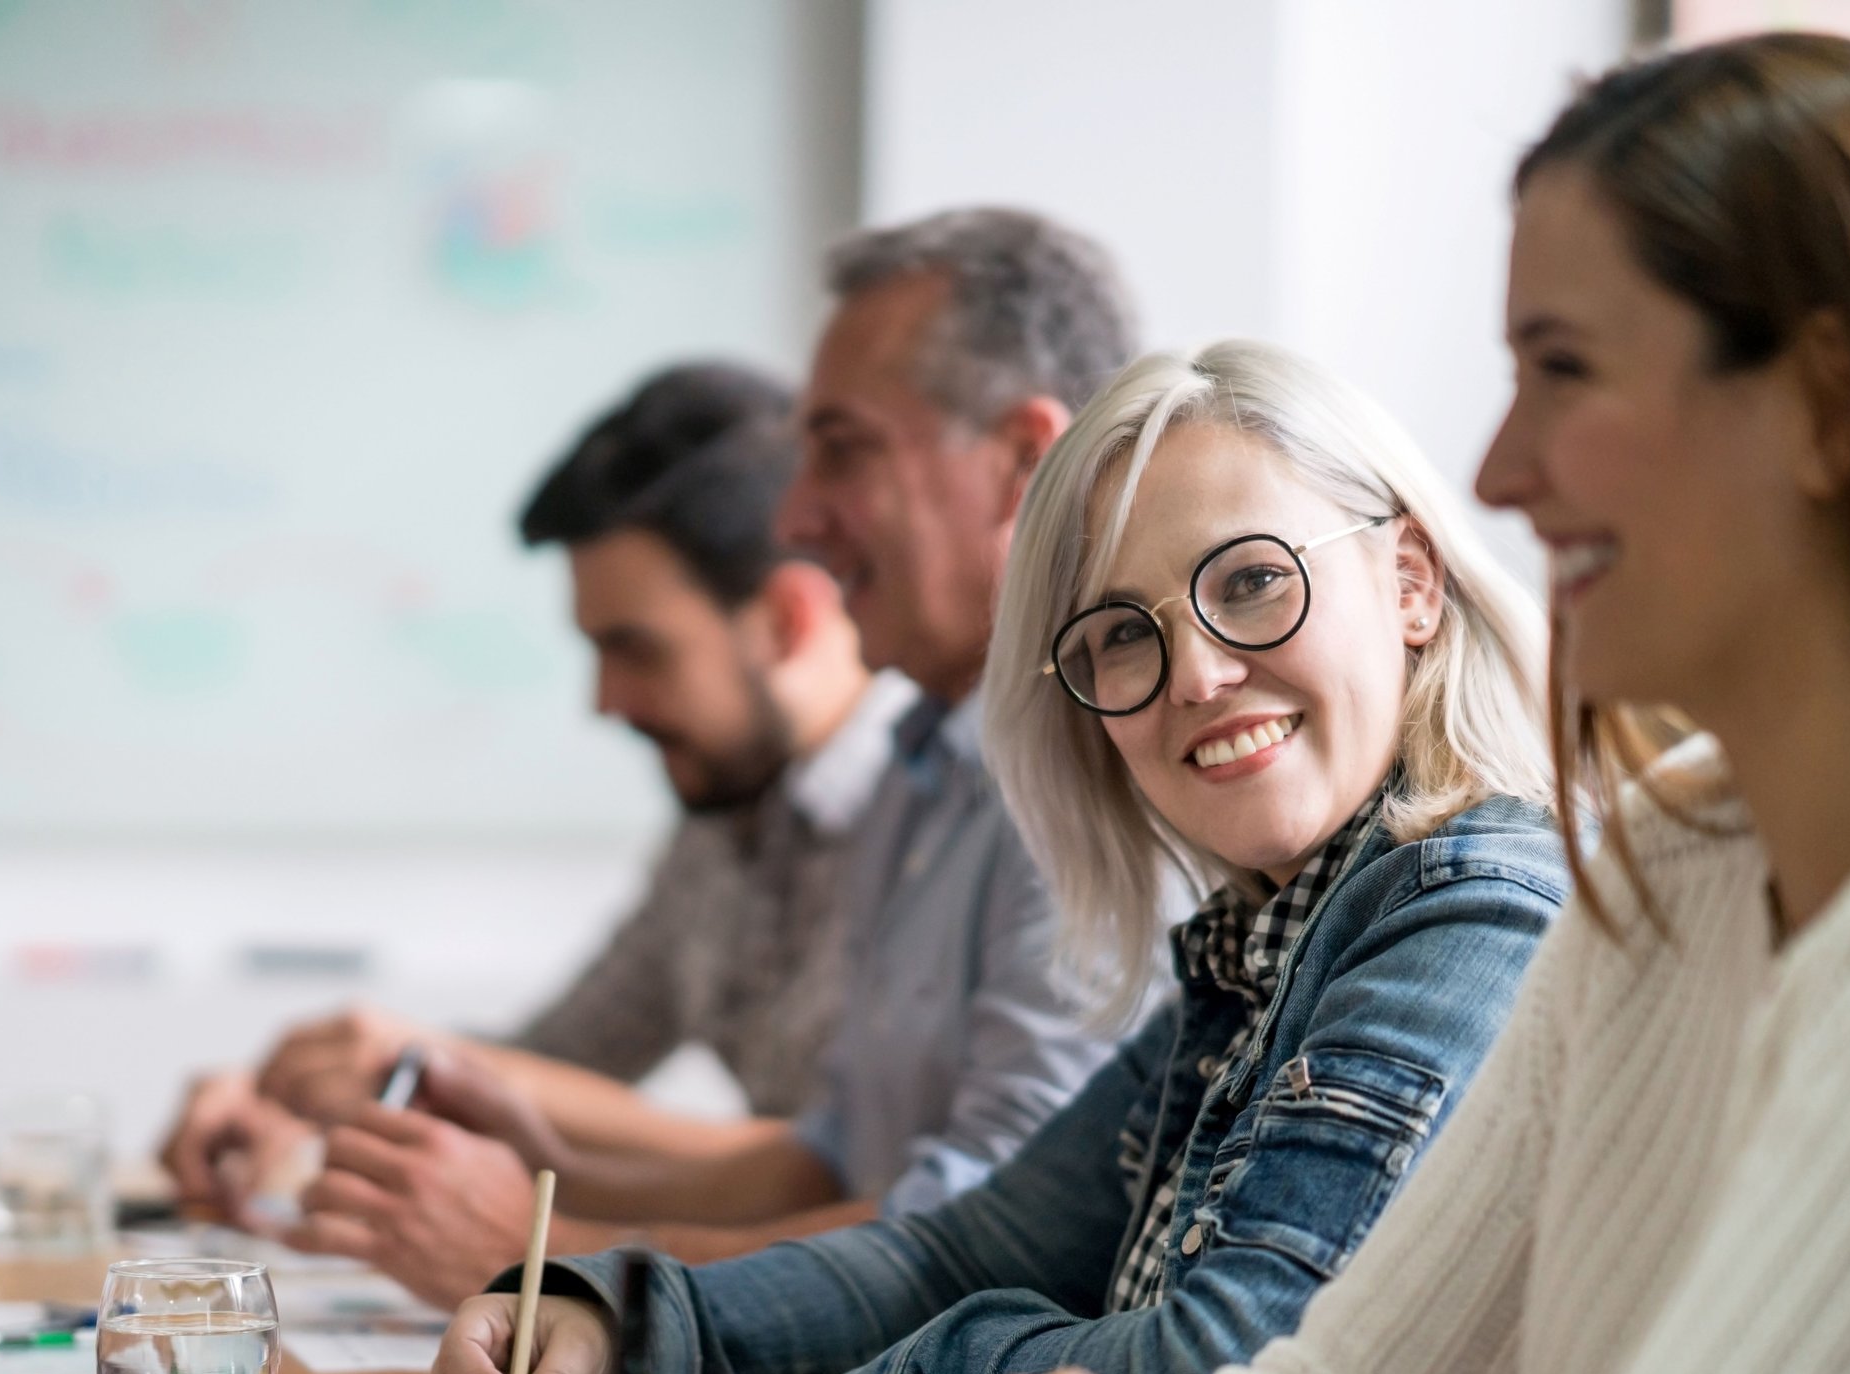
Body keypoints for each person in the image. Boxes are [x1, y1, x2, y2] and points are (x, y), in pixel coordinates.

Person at [539, 34, 1850, 1374]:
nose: (1500, 465)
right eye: (1128, 635)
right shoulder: (1666, 865)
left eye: (1563, 367)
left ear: (1831, 406)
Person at [431, 339, 1566, 1374]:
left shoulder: (1475, 910)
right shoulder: (1258, 947)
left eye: (1254, 581)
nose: (1199, 675)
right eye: (1125, 634)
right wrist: (611, 1321)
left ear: (1409, 583)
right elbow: (958, 1256)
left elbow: (1219, 1372)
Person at [188, 211, 1144, 1302]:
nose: (801, 513)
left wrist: (552, 1251)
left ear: (1024, 460)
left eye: (841, 449)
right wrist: (531, 1146)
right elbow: (819, 1160)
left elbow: (979, 1243)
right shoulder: (925, 774)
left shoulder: (1101, 781)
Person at [158, 363, 912, 1281]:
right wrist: (324, 1102)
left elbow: (848, 1170)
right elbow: (553, 1059)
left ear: (789, 621)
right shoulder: (723, 817)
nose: (605, 702)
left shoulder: (940, 815)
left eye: (636, 649)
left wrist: (421, 1059)